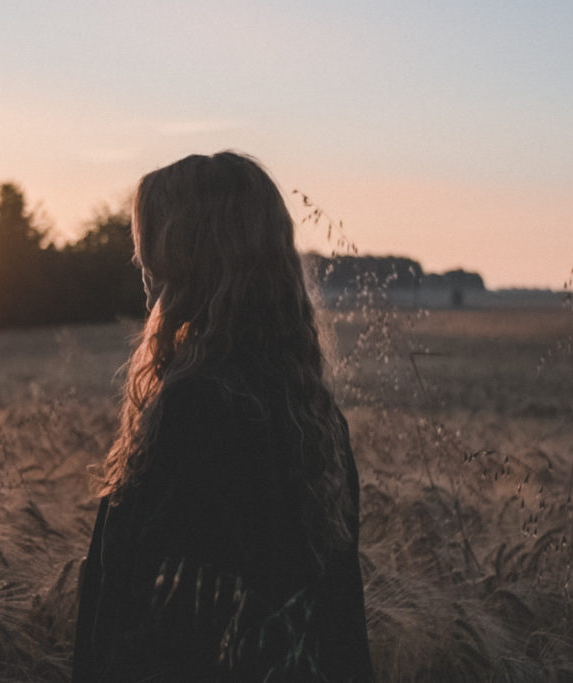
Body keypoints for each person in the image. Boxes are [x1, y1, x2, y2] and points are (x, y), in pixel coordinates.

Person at [71, 152, 373, 682]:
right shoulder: (313, 413)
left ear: (187, 256)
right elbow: (339, 623)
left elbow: (151, 627)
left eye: (149, 247)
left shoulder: (198, 410)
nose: (140, 265)